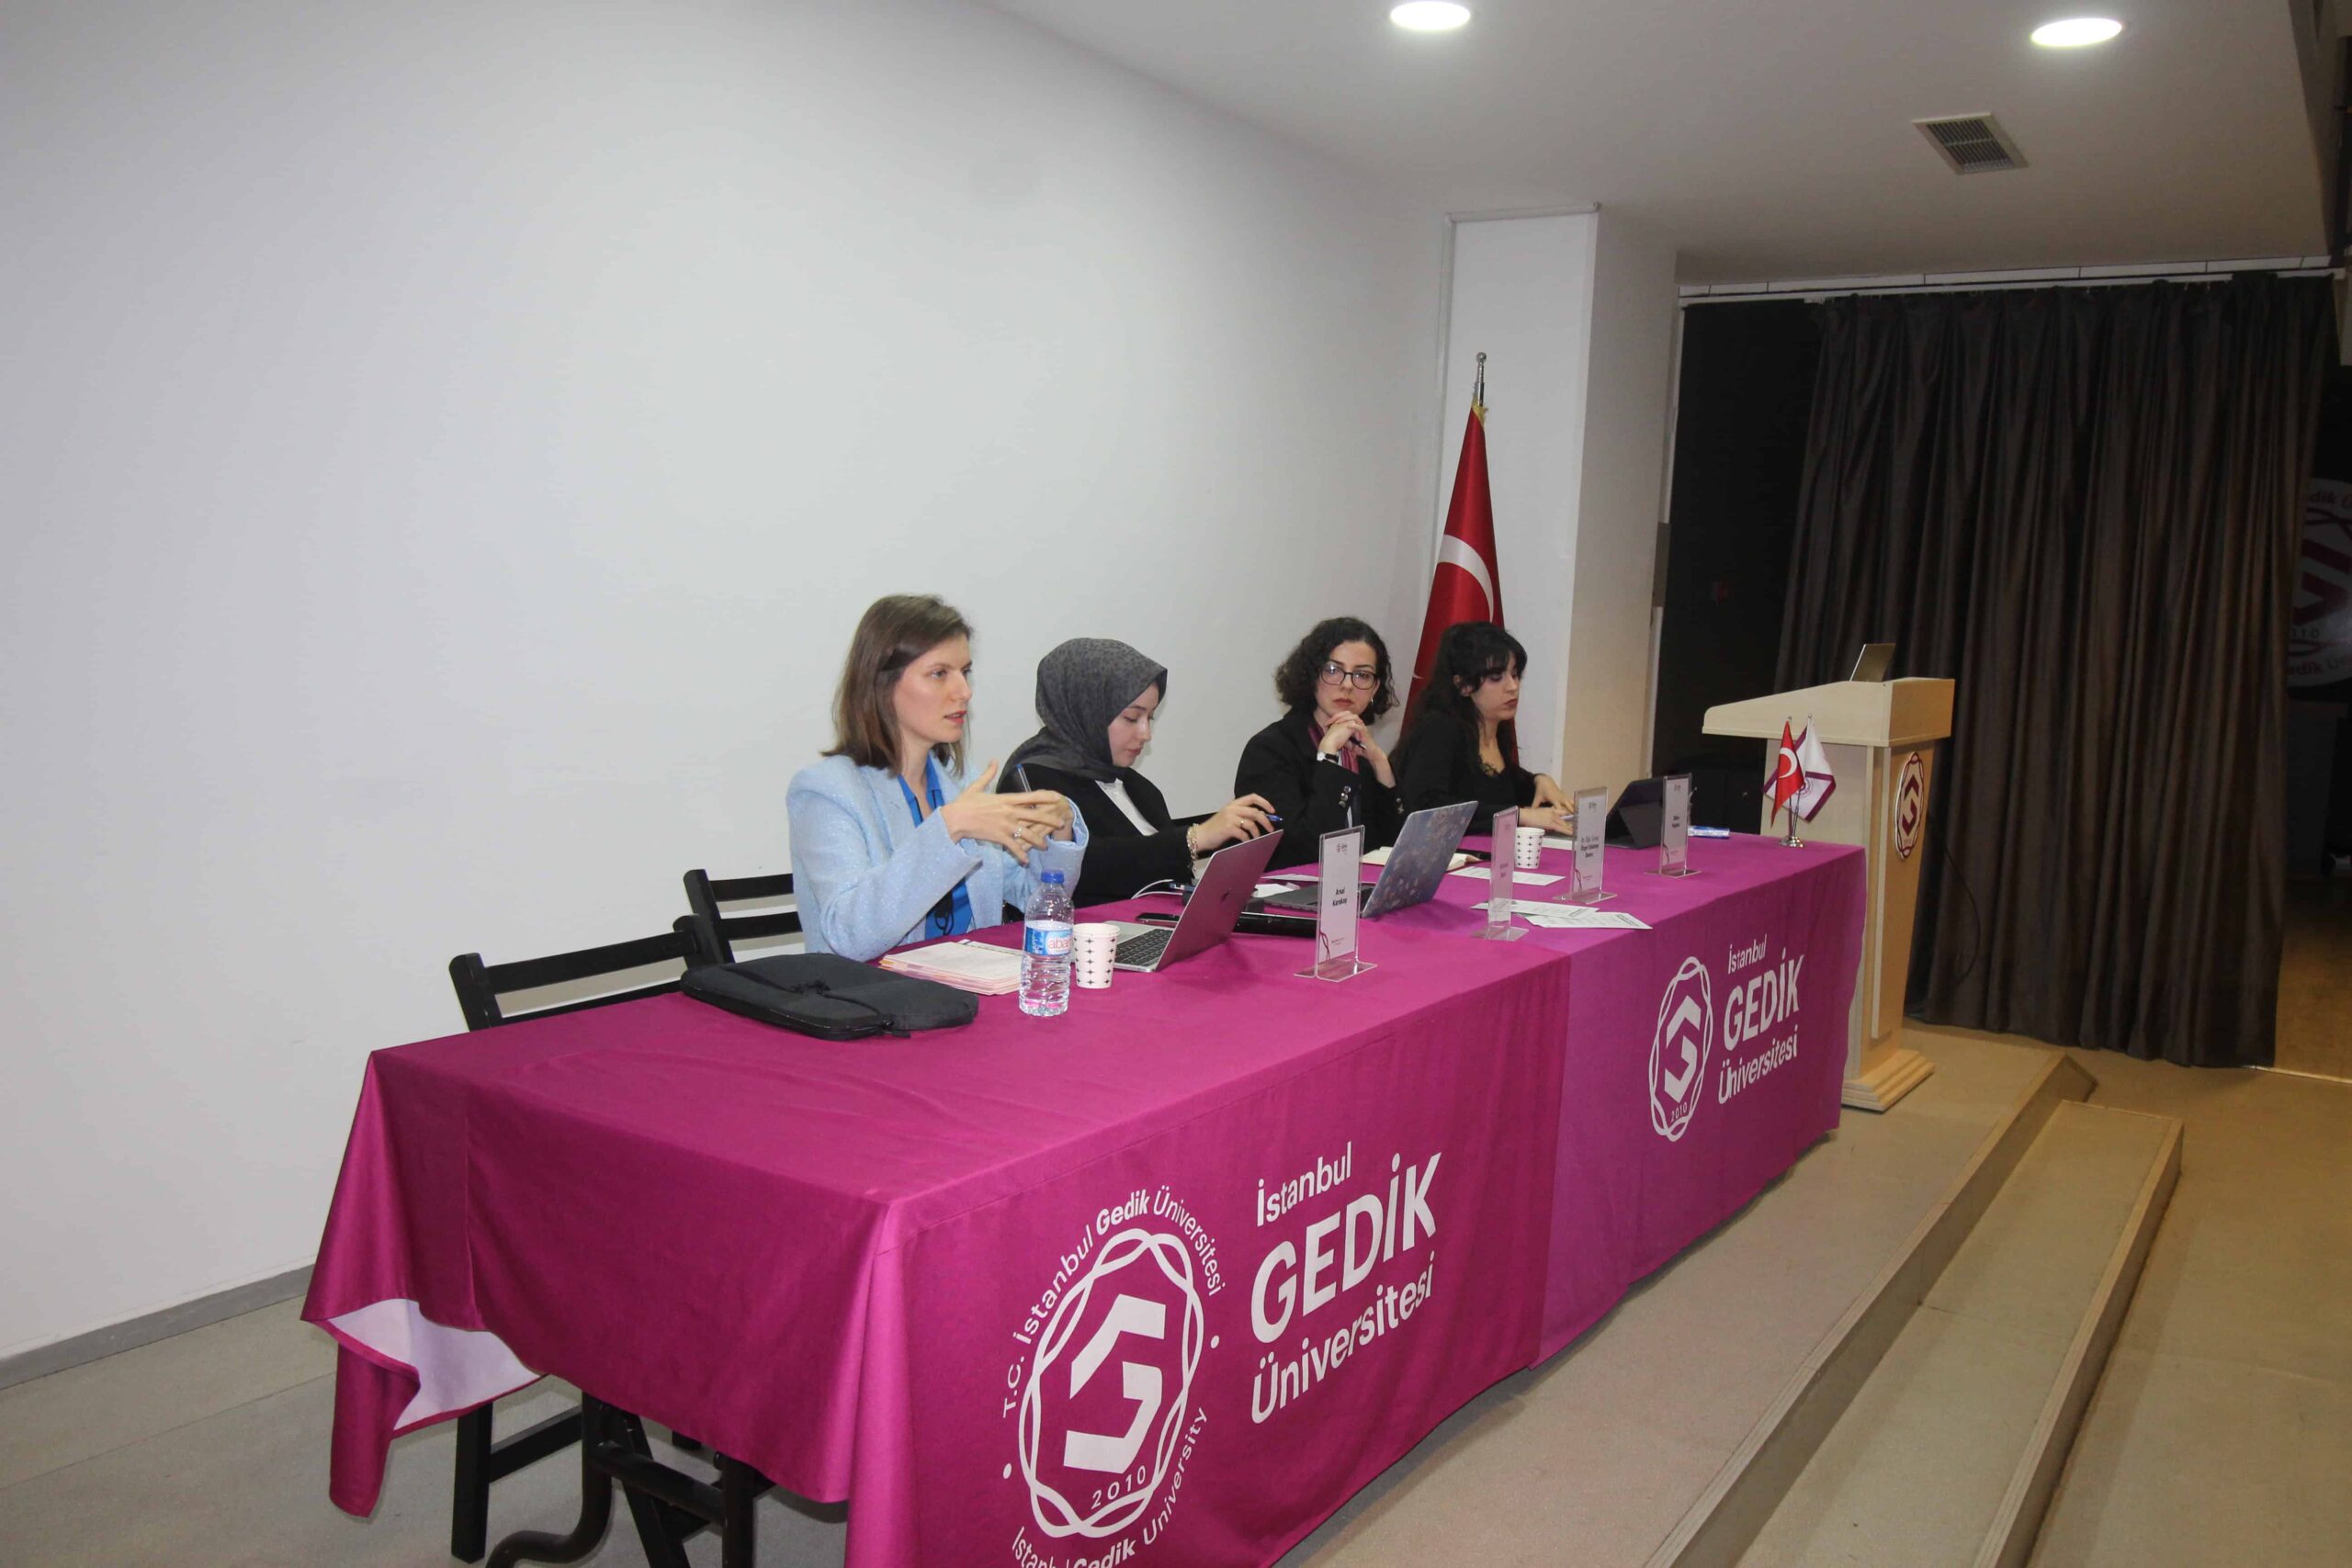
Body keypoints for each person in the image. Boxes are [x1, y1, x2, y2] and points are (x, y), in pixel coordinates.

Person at [787, 594, 1086, 961]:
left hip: (967, 983)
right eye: (939, 674)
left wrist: (1060, 829)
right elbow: (848, 936)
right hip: (872, 992)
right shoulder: (827, 791)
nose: (964, 692)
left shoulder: (960, 782)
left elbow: (1032, 897)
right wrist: (949, 827)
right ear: (882, 684)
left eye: (965, 672)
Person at [1003, 639, 1277, 908]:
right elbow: (1079, 869)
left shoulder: (1139, 788)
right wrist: (1195, 838)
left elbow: (1165, 870)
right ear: (1086, 709)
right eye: (1132, 718)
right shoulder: (1032, 780)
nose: (1146, 734)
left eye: (1150, 717)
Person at [1235, 616, 1403, 868]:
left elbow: (1396, 848)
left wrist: (1381, 765)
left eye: (1362, 675)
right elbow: (1303, 850)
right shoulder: (1270, 750)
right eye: (1333, 670)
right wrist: (1328, 757)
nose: (1347, 685)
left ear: (1375, 688)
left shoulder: (1362, 751)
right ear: (1312, 676)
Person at [1391, 620, 1573, 835]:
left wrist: (1539, 781)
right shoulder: (1438, 729)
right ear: (1463, 685)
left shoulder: (1494, 727)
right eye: (1496, 677)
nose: (1513, 687)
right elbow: (1429, 808)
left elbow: (1499, 787)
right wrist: (1519, 816)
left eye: (1515, 674)